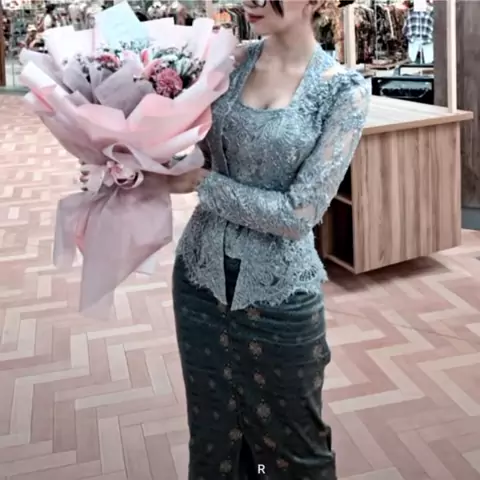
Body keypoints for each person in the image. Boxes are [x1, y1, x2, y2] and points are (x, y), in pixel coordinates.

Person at [81, 0, 369, 477]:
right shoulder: (227, 61)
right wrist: (121, 161)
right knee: (213, 439)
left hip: (279, 296)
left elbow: (298, 214)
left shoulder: (341, 91)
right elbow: (178, 142)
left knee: (295, 450)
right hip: (199, 282)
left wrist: (201, 183)